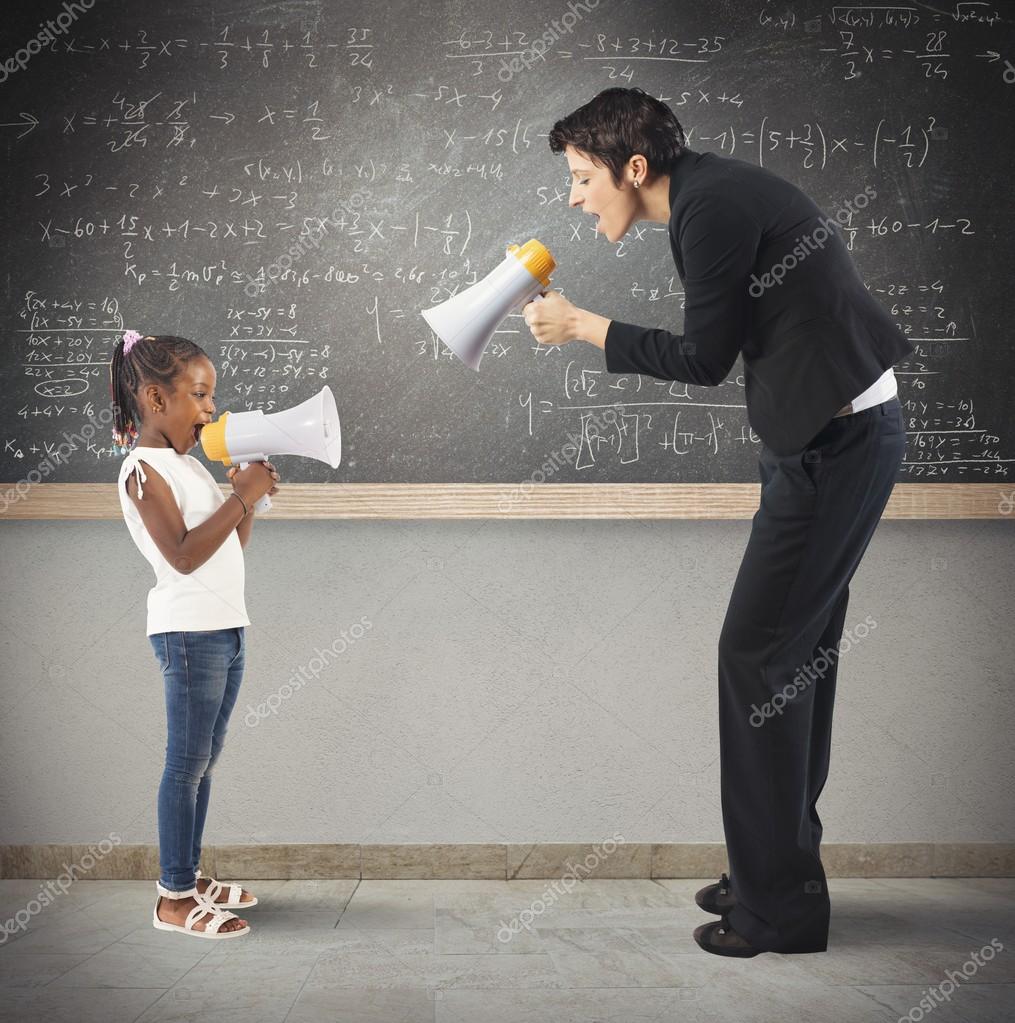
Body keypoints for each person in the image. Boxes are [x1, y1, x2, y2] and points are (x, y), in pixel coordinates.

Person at [524, 87, 913, 957]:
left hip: (835, 447)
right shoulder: (709, 194)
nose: (574, 198)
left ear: (633, 167)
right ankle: (773, 873)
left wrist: (582, 325)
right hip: (825, 440)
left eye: (582, 177)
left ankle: (777, 911)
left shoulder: (708, 208)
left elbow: (704, 358)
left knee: (759, 659)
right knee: (790, 660)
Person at [110, 330, 279, 939]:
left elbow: (229, 546)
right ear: (156, 399)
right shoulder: (141, 470)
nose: (211, 410)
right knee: (184, 765)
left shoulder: (186, 467)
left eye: (211, 396)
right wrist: (240, 497)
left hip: (225, 628)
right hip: (188, 635)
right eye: (200, 395)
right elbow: (182, 557)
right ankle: (173, 899)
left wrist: (246, 500)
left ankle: (188, 875)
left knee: (204, 762)